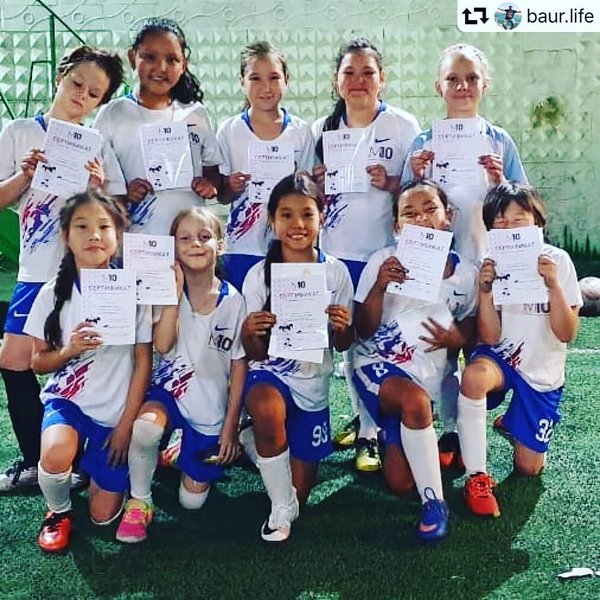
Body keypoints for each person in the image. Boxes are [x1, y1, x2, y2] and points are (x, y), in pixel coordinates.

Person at [0, 46, 125, 492]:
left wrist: (97, 188)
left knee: (90, 359)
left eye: (94, 94)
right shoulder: (19, 131)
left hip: (85, 275)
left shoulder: (96, 144)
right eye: (77, 84)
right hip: (36, 271)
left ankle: (83, 459)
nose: (81, 97)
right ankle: (36, 460)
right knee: (14, 360)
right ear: (60, 76)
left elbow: (115, 215)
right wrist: (24, 176)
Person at [402, 43, 528, 466]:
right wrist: (415, 175)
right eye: (452, 79)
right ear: (437, 86)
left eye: (471, 78)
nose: (462, 86)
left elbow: (523, 206)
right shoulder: (424, 141)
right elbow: (403, 204)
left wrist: (499, 182)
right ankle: (447, 429)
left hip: (486, 264)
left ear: (484, 84)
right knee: (438, 345)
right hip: (435, 266)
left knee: (483, 347)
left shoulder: (498, 140)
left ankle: (479, 425)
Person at [312, 37, 420, 473]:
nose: (358, 81)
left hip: (381, 255)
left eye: (367, 72)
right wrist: (317, 185)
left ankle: (371, 433)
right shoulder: (322, 130)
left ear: (382, 79)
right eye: (349, 73)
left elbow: (419, 193)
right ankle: (362, 419)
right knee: (345, 341)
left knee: (375, 342)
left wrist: (392, 183)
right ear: (336, 81)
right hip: (336, 255)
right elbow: (307, 195)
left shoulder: (403, 125)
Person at [23, 191, 152, 553]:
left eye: (103, 227)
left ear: (118, 236)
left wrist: (125, 426)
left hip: (115, 412)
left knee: (103, 516)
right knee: (55, 452)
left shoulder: (133, 290)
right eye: (82, 226)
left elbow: (143, 361)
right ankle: (58, 511)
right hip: (69, 402)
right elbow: (37, 362)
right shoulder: (52, 293)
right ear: (66, 236)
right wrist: (69, 350)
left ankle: (105, 470)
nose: (94, 235)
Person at [352, 180, 476, 541]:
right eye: (409, 213)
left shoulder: (465, 274)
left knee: (400, 483)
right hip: (379, 365)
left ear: (448, 217)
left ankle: (394, 433)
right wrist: (379, 287)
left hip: (430, 373)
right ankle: (435, 503)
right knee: (414, 401)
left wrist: (457, 338)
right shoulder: (383, 261)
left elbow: (471, 327)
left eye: (429, 209)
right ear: (396, 226)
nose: (421, 218)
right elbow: (362, 330)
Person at [115, 207, 247, 543]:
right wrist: (173, 296)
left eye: (204, 237)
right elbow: (163, 346)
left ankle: (178, 449)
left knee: (191, 503)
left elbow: (238, 366)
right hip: (169, 395)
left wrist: (230, 425)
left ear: (219, 244)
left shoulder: (234, 301)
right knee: (145, 428)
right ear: (172, 247)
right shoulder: (162, 292)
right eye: (184, 238)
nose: (195, 244)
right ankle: (140, 500)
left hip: (209, 408)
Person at [457, 182, 581, 518]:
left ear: (537, 222)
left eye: (518, 220)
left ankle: (513, 425)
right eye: (500, 222)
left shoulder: (558, 261)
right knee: (473, 377)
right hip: (503, 357)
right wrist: (485, 292)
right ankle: (476, 476)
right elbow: (490, 336)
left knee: (529, 468)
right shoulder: (490, 264)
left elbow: (567, 333)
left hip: (542, 372)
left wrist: (552, 284)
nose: (509, 228)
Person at [242, 172, 353, 542]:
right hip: (270, 374)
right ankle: (279, 509)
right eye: (286, 215)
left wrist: (342, 326)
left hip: (312, 384)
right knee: (266, 406)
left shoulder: (335, 272)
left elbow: (343, 345)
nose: (298, 224)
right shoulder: (259, 275)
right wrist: (251, 331)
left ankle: (252, 442)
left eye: (307, 214)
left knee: (300, 493)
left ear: (322, 217)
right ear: (271, 221)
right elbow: (254, 352)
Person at [93, 18, 221, 236]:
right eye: (150, 57)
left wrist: (209, 184)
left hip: (189, 242)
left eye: (172, 60)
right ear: (132, 57)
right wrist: (124, 193)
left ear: (184, 64)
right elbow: (96, 182)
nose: (161, 68)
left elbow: (213, 170)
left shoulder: (196, 114)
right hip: (137, 241)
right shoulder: (112, 114)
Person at [217, 41, 315, 292]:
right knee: (245, 313)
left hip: (288, 245)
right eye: (255, 78)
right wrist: (230, 185)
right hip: (242, 246)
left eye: (274, 77)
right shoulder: (229, 130)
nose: (266, 87)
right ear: (242, 82)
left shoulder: (301, 131)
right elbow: (222, 194)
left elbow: (308, 192)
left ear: (286, 80)